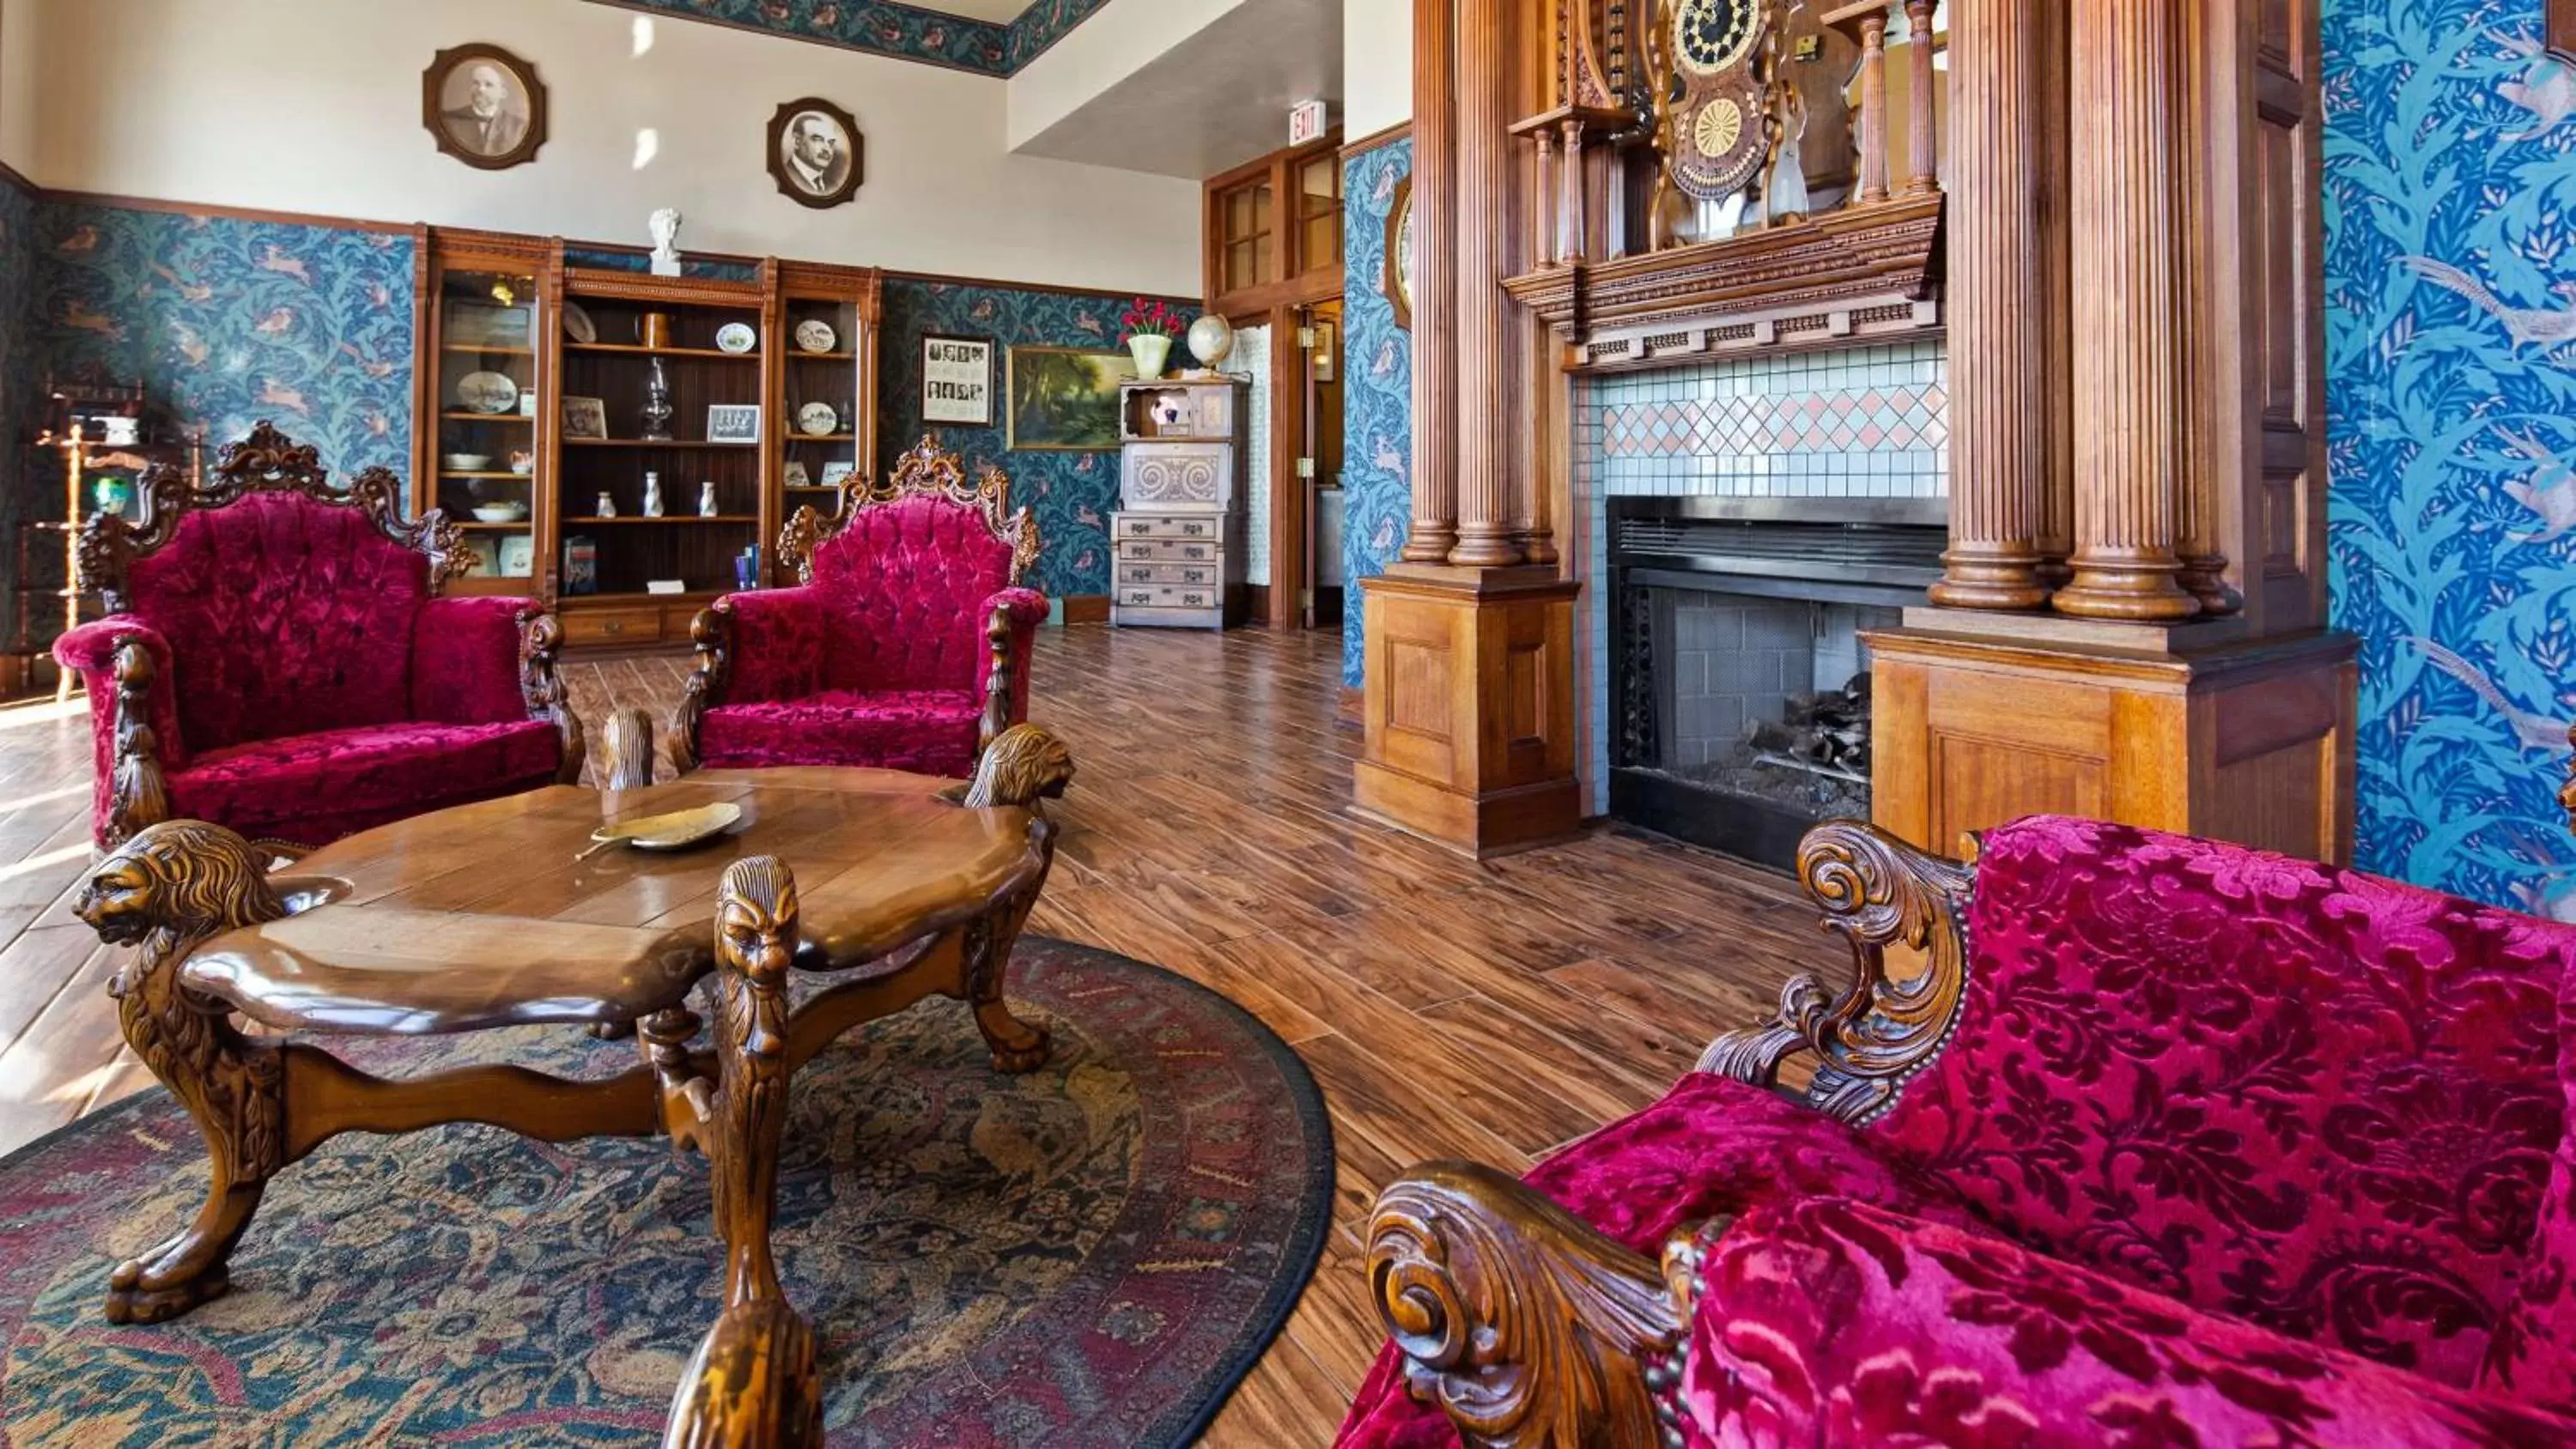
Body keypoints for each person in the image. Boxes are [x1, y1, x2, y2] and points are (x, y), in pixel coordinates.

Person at [442, 63, 526, 156]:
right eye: (476, 83)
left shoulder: (518, 127)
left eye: (489, 84)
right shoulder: (449, 120)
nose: (480, 89)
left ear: (503, 93)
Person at [784, 112, 847, 195]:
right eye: (818, 140)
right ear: (797, 141)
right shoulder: (786, 178)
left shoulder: (833, 186)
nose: (827, 149)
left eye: (831, 142)